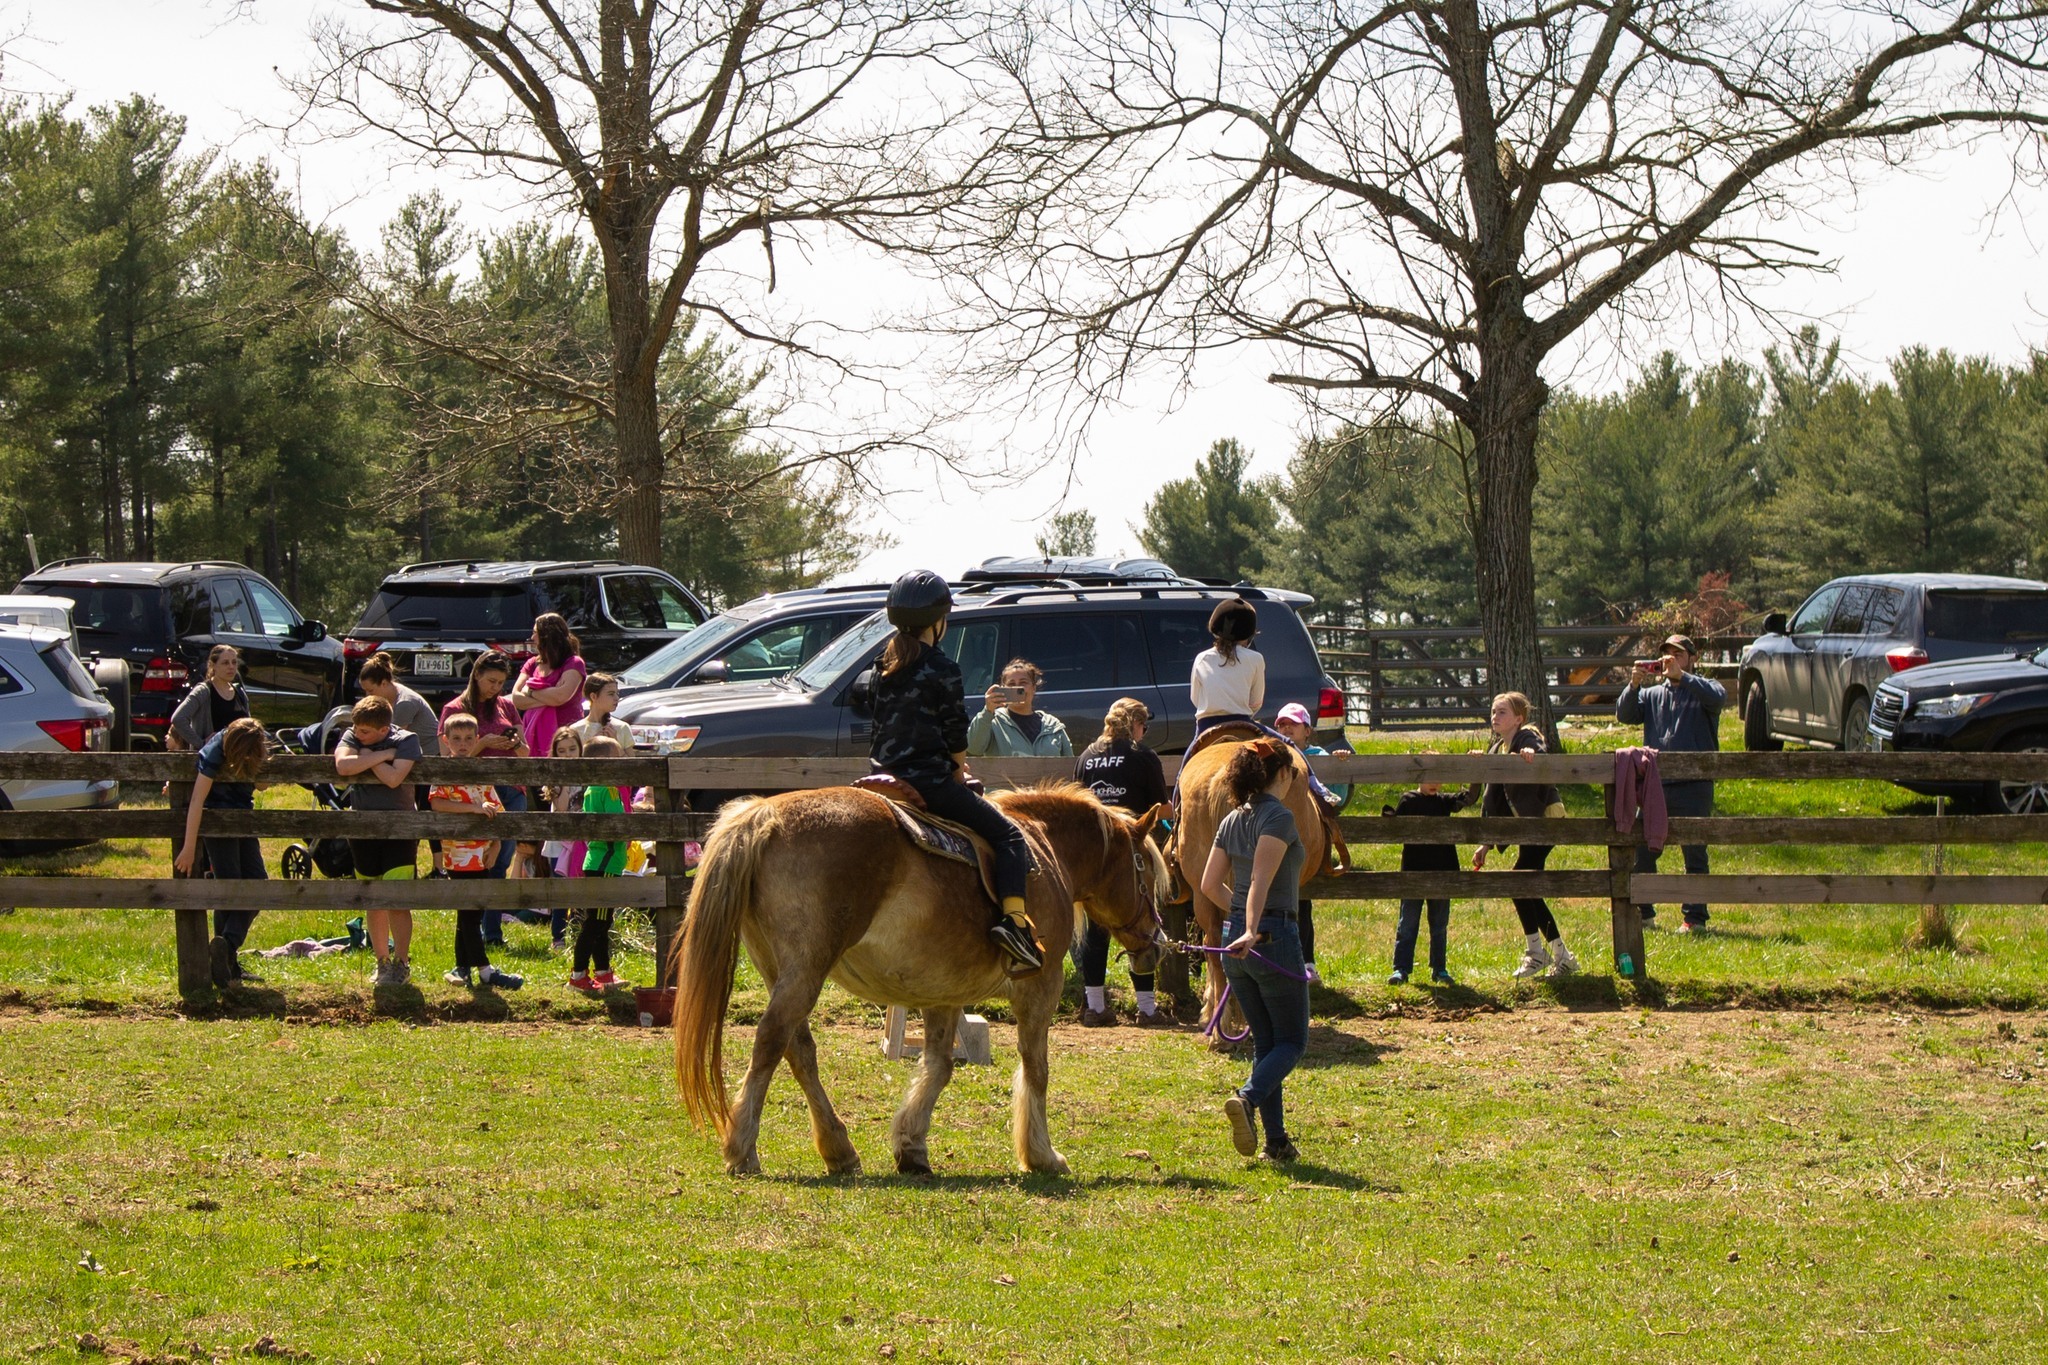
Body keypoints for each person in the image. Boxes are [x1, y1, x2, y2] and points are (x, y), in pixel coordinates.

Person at [869, 569, 1042, 972]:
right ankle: (1015, 924)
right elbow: (954, 734)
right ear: (937, 622)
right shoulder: (942, 667)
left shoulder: (881, 667)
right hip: (928, 781)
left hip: (882, 777)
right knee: (1009, 836)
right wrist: (959, 768)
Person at [1198, 738, 1310, 1162]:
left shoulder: (1232, 819)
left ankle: (1276, 1142)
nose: (1292, 779)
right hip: (1271, 937)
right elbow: (1262, 880)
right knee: (1292, 1041)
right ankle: (1246, 1099)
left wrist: (1237, 925)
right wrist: (1251, 928)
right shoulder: (1278, 817)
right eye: (1292, 772)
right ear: (1280, 774)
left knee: (1267, 1043)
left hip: (1236, 944)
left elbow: (1209, 884)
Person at [1618, 634, 1727, 932]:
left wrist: (1684, 678)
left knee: (1694, 852)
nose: (1671, 660)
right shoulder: (1652, 694)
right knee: (1642, 850)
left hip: (1695, 784)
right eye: (1666, 655)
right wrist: (1633, 685)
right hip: (1656, 784)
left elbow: (1719, 699)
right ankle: (1644, 914)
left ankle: (1695, 918)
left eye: (1678, 655)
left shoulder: (1703, 688)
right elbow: (1625, 714)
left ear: (1692, 658)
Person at [1073, 697, 1170, 1026]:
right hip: (1130, 853)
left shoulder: (1087, 757)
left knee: (1096, 928)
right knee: (1140, 922)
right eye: (1145, 726)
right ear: (1136, 725)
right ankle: (1147, 1008)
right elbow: (1162, 808)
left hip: (1093, 855)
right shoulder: (1143, 755)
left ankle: (1094, 1007)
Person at [1470, 692, 1578, 979]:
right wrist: (1486, 843)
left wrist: (1531, 754)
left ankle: (1544, 954)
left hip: (1545, 821)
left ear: (1519, 718)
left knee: (1521, 882)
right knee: (1524, 886)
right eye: (1493, 712)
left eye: (1502, 712)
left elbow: (1539, 751)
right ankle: (1556, 955)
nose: (1495, 717)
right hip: (1525, 826)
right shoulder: (1497, 750)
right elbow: (1491, 800)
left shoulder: (1527, 737)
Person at [172, 716, 272, 987]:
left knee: (258, 885)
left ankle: (225, 948)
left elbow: (263, 784)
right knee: (228, 888)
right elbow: (197, 800)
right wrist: (190, 847)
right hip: (218, 823)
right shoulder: (215, 751)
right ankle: (228, 962)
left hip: (244, 818)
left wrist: (258, 764)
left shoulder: (257, 743)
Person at [430, 714, 523, 990]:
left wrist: (496, 844)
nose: (463, 744)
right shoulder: (445, 770)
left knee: (471, 910)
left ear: (477, 740)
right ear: (446, 740)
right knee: (470, 911)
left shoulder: (480, 771)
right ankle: (484, 969)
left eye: (469, 739)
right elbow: (438, 803)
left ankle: (462, 968)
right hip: (458, 852)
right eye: (456, 739)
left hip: (482, 852)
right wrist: (473, 809)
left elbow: (496, 809)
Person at [335, 695, 423, 985]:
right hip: (363, 829)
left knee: (397, 899)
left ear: (384, 730)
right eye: (356, 730)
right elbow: (343, 766)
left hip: (399, 831)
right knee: (373, 898)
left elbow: (394, 779)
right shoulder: (353, 734)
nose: (357, 734)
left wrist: (364, 758)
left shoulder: (407, 740)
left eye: (365, 732)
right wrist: (382, 755)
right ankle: (382, 961)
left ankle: (402, 961)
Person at [442, 651, 530, 938]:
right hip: (474, 794)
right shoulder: (454, 709)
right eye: (491, 681)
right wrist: (482, 744)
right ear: (477, 674)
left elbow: (526, 752)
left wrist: (514, 744)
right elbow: (448, 761)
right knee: (476, 860)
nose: (496, 688)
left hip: (510, 789)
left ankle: (491, 931)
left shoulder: (506, 706)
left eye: (501, 683)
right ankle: (471, 928)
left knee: (501, 859)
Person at [1272, 700, 1350, 983]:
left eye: (1292, 724)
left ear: (1307, 730)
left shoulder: (1318, 756)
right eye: (1281, 724)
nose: (1286, 729)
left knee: (1302, 904)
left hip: (1307, 841)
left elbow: (1337, 798)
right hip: (1277, 840)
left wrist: (1339, 765)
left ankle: (1307, 962)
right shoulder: (1273, 758)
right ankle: (1278, 962)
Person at [357, 651, 442, 868]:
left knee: (427, 810)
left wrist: (367, 755)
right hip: (411, 759)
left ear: (385, 683)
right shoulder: (389, 700)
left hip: (428, 761)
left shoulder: (404, 704)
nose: (367, 696)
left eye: (370, 690)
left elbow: (387, 740)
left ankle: (438, 867)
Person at [1383, 779, 1470, 986]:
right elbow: (1396, 827)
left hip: (1442, 871)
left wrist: (1472, 775)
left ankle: (1439, 969)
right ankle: (1401, 968)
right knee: (1407, 923)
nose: (1434, 784)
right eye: (1430, 779)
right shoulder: (1408, 800)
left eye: (1439, 779)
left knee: (1439, 924)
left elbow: (1468, 798)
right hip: (1413, 870)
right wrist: (1390, 817)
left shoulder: (1444, 801)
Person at [570, 735, 632, 991]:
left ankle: (603, 971)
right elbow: (618, 823)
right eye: (617, 758)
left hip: (597, 860)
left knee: (600, 921)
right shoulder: (609, 789)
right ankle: (578, 975)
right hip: (607, 862)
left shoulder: (591, 789)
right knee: (596, 923)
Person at [512, 612, 587, 759]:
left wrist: (530, 691)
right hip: (533, 733)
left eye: (535, 633)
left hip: (566, 738)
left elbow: (560, 697)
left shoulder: (574, 663)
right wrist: (549, 696)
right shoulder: (532, 663)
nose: (532, 637)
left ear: (548, 636)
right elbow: (516, 699)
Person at [966, 658, 1075, 757]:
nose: (1017, 687)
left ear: (1033, 688)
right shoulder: (993, 722)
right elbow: (974, 748)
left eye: (1023, 683)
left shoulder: (1053, 725)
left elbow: (1070, 765)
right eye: (1011, 684)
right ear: (1003, 688)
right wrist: (988, 710)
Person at [539, 726, 586, 952]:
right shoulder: (555, 780)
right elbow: (561, 809)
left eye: (572, 749)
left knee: (580, 889)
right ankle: (558, 937)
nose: (568, 755)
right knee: (560, 890)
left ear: (580, 750)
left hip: (581, 844)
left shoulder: (588, 776)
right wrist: (565, 781)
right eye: (562, 751)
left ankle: (578, 933)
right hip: (559, 845)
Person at [166, 645, 249, 753]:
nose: (231, 667)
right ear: (212, 665)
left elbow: (248, 726)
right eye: (225, 663)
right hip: (211, 758)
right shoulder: (203, 691)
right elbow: (178, 719)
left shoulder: (239, 692)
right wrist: (201, 744)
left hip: (237, 756)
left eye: (234, 662)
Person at [567, 671, 633, 752]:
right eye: (611, 694)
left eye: (617, 693)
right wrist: (591, 745)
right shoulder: (576, 730)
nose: (617, 698)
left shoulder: (622, 728)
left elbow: (631, 759)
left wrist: (615, 743)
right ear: (593, 696)